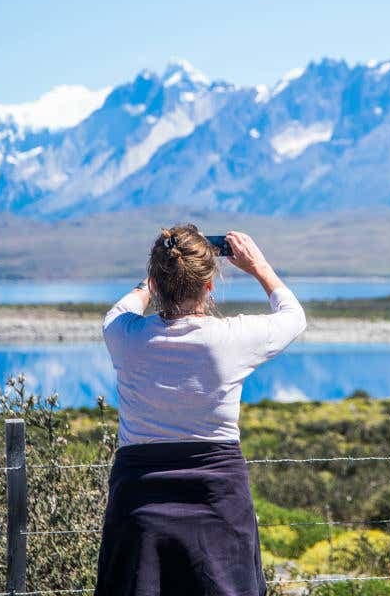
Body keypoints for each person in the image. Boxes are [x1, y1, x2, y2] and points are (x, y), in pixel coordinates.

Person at [95, 225, 307, 596]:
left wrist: (155, 279)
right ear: (209, 286)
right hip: (218, 501)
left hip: (139, 504)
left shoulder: (124, 335)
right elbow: (293, 316)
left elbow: (124, 307)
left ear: (157, 283)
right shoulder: (230, 339)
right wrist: (258, 266)